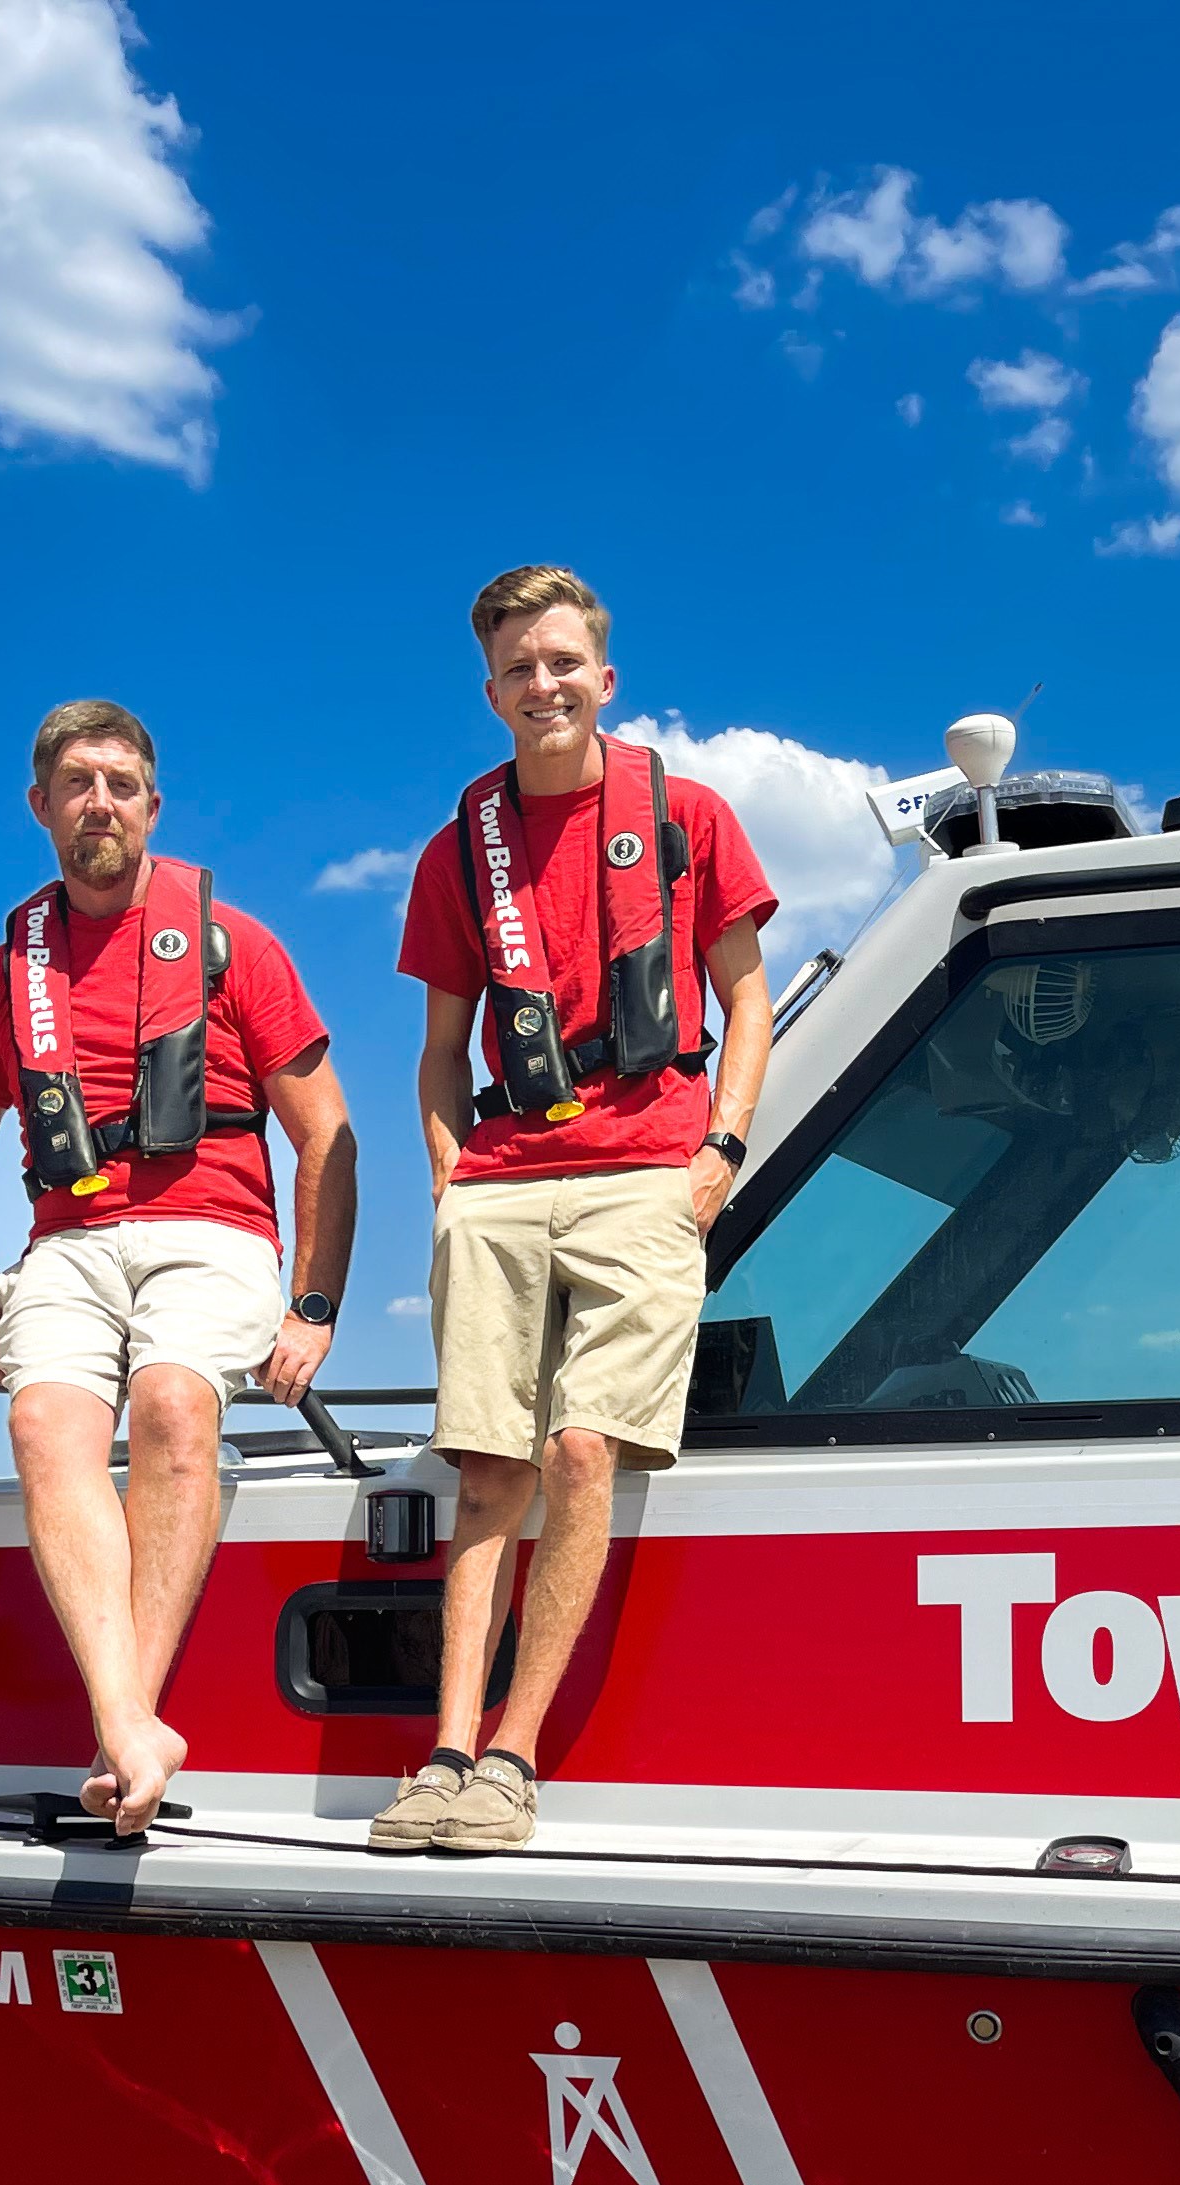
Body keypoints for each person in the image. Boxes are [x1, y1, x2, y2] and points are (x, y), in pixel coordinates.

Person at [369, 566, 777, 1856]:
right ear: (489, 693)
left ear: (605, 675)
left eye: (561, 662)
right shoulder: (459, 848)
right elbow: (439, 1049)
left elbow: (748, 1002)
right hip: (501, 1181)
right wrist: (447, 1173)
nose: (541, 686)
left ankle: (512, 1756)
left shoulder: (689, 815)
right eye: (516, 670)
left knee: (583, 1451)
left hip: (651, 1161)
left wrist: (718, 1152)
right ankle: (440, 1753)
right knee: (486, 1469)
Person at [0, 701, 357, 1836]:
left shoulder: (235, 942)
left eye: (119, 783)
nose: (98, 802)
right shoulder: (4, 970)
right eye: (77, 783)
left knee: (172, 1401)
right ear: (42, 807)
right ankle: (132, 1721)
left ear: (153, 806)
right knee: (41, 1426)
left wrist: (313, 1306)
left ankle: (126, 1712)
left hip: (211, 1228)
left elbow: (326, 1135)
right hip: (65, 1243)